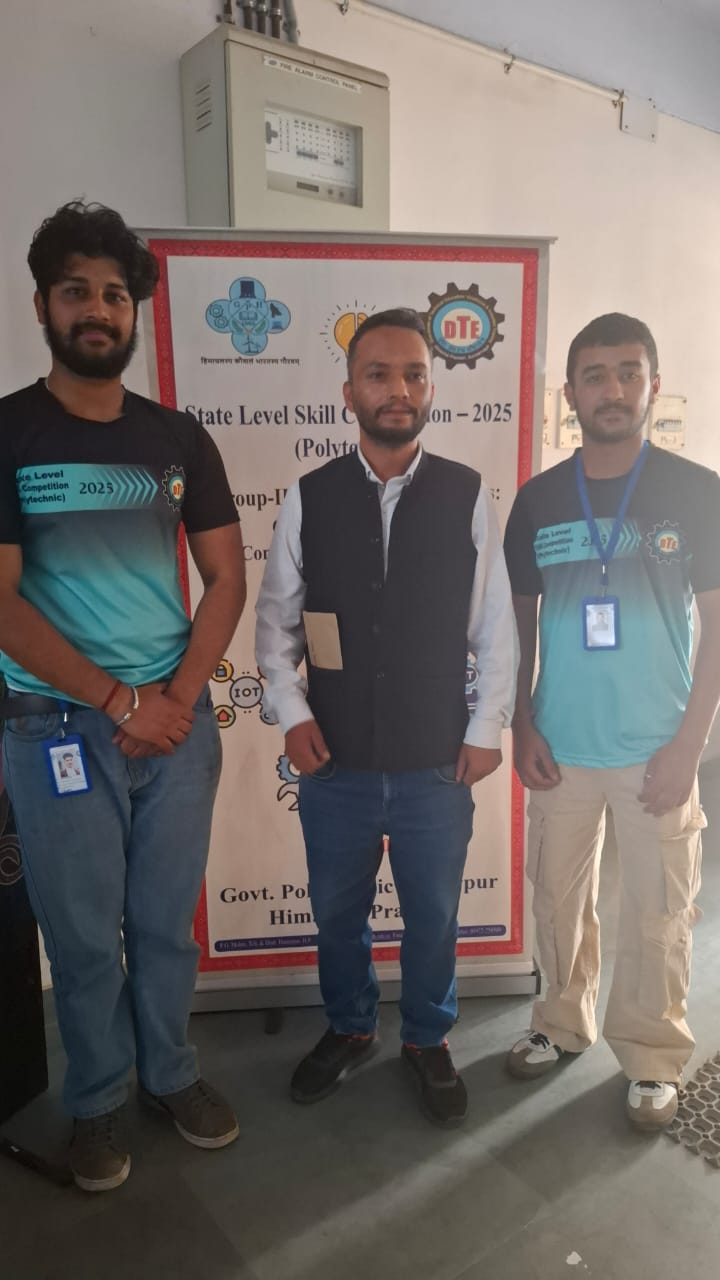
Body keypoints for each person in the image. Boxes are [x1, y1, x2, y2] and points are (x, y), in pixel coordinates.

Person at [0, 201, 246, 1191]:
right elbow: (1, 602)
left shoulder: (177, 438)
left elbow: (225, 579)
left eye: (114, 294)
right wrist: (117, 702)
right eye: (76, 291)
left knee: (162, 924)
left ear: (135, 311)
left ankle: (169, 1074)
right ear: (42, 305)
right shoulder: (8, 430)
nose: (96, 310)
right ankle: (98, 1098)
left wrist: (172, 701)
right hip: (56, 727)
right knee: (80, 933)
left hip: (174, 726)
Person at [255, 308, 517, 1126]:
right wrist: (291, 711)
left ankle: (429, 1037)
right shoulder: (310, 496)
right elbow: (275, 623)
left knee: (433, 915)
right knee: (337, 913)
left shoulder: (467, 494)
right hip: (333, 762)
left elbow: (496, 625)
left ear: (431, 389)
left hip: (437, 760)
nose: (397, 389)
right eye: (378, 374)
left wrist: (485, 730)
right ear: (350, 392)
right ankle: (351, 1024)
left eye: (413, 374)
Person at [503, 312, 720, 1131]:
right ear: (570, 393)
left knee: (659, 913)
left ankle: (653, 1055)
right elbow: (517, 625)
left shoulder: (696, 492)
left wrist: (690, 746)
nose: (614, 389)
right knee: (557, 902)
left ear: (653, 385)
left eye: (630, 372)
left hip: (658, 748)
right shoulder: (539, 500)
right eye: (595, 375)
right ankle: (561, 1023)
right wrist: (522, 723)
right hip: (562, 747)